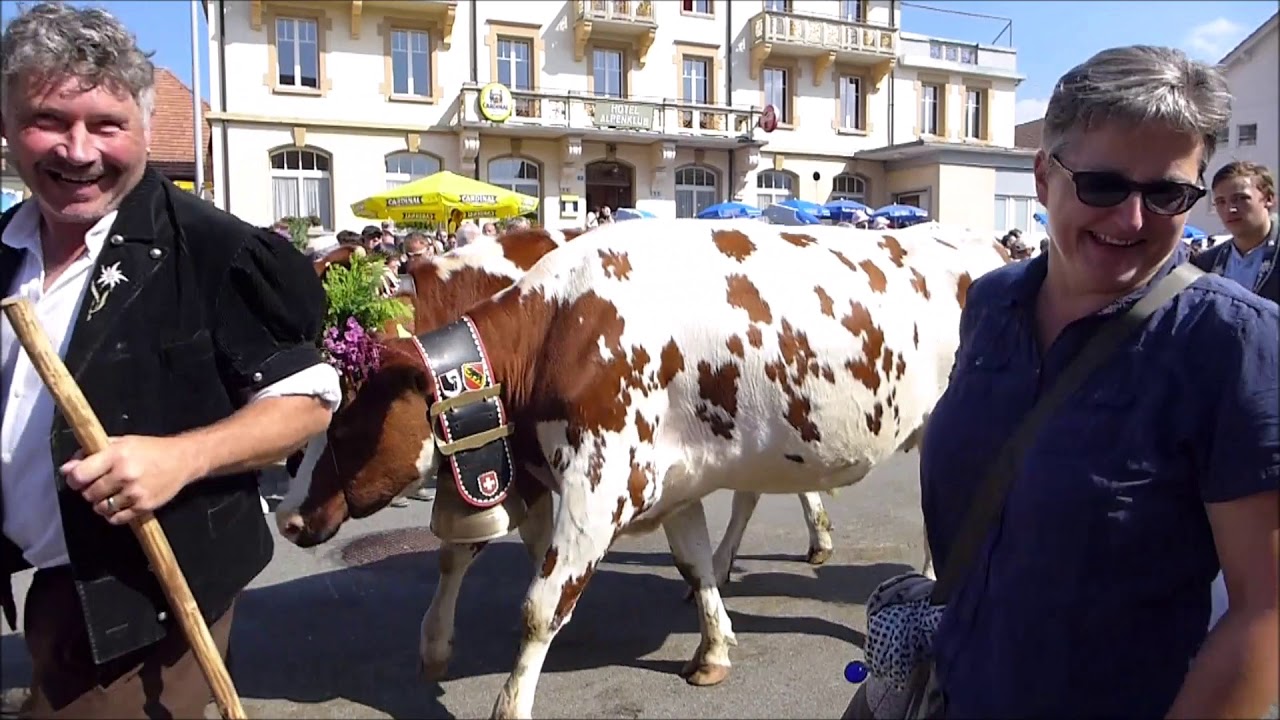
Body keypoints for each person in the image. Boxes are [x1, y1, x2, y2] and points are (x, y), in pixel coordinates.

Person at [0, 4, 341, 717]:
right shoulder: (6, 246)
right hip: (53, 584)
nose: (78, 150)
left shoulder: (213, 249)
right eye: (50, 121)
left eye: (106, 124)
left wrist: (178, 459)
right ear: (7, 124)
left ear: (147, 130)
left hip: (154, 595)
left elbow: (307, 400)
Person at [919, 45, 1278, 718]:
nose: (1131, 220)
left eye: (1167, 193)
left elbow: (1265, 610)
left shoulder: (1234, 345)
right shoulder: (992, 305)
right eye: (1104, 186)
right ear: (1041, 177)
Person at [1195, 160, 1278, 303]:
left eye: (1241, 199)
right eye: (1221, 202)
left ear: (1268, 199)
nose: (1230, 209)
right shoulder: (1206, 263)